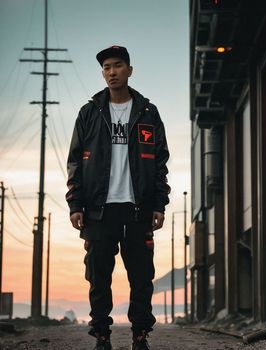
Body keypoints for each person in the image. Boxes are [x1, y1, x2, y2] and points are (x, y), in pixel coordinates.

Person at [66, 45, 170, 350]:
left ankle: (140, 335)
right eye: (106, 68)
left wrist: (159, 205)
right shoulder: (89, 113)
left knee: (141, 277)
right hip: (99, 210)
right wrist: (75, 204)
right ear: (103, 73)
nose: (111, 72)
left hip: (138, 209)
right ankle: (101, 335)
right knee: (98, 278)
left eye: (117, 66)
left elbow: (160, 163)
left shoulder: (148, 112)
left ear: (129, 70)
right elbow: (75, 162)